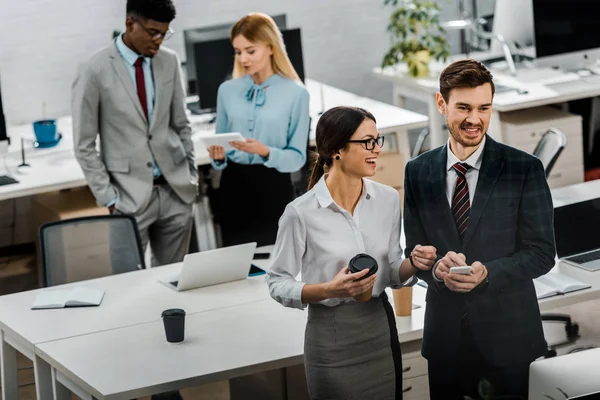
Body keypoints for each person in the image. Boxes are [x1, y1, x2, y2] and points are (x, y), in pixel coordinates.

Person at [403, 59, 556, 399]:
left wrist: (487, 272)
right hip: (445, 338)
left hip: (509, 337)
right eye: (464, 108)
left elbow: (542, 253)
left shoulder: (524, 169)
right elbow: (414, 251)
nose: (475, 119)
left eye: (484, 108)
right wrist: (434, 269)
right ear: (441, 104)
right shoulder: (417, 171)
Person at [267, 106, 437, 399]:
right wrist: (328, 289)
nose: (376, 150)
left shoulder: (386, 199)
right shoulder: (300, 213)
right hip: (330, 341)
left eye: (377, 140)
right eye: (367, 142)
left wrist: (414, 264)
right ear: (337, 150)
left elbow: (393, 269)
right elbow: (277, 282)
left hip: (379, 331)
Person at [72, 0, 198, 270]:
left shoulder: (169, 61)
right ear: (130, 23)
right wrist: (109, 198)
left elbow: (182, 124)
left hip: (175, 191)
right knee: (127, 282)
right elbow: (83, 145)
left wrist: (191, 175)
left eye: (165, 33)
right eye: (153, 32)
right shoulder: (94, 69)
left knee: (176, 281)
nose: (159, 40)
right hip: (127, 197)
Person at [207, 12, 310, 247]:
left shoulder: (297, 94)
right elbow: (220, 142)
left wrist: (265, 151)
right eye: (238, 51)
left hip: (273, 187)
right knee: (236, 265)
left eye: (250, 51)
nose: (243, 58)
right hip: (233, 186)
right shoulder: (227, 90)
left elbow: (297, 159)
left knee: (275, 266)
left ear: (271, 47)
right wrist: (218, 158)